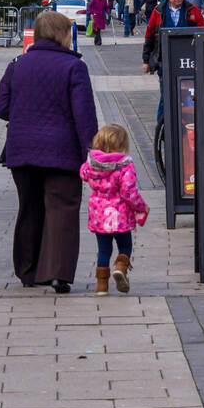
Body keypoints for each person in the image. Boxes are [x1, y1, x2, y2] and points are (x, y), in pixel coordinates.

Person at [0, 10, 98, 294]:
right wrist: (91, 151)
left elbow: (2, 108)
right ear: (62, 35)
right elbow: (84, 115)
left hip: (22, 151)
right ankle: (56, 273)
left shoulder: (17, 65)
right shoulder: (74, 67)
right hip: (62, 153)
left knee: (29, 208)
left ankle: (28, 271)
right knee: (62, 208)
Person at [81, 124, 148, 296]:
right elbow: (129, 192)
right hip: (120, 215)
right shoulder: (125, 165)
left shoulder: (91, 163)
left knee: (103, 250)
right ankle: (120, 268)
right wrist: (141, 207)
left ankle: (101, 286)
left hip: (98, 215)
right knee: (125, 245)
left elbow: (83, 174)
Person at [142, 0, 204, 122]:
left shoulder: (192, 10)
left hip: (189, 62)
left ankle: (188, 125)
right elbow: (149, 35)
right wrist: (146, 60)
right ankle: (163, 130)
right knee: (165, 97)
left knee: (189, 96)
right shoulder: (158, 11)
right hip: (165, 61)